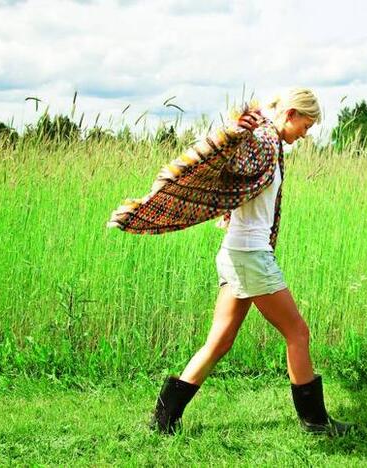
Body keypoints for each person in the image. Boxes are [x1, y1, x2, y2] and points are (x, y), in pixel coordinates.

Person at [148, 88, 355, 437]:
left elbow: (240, 181)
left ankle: (164, 419)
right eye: (306, 124)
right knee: (298, 333)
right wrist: (239, 132)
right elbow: (231, 166)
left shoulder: (269, 145)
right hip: (249, 256)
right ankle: (317, 424)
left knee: (219, 342)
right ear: (290, 114)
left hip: (238, 252)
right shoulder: (261, 142)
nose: (306, 134)